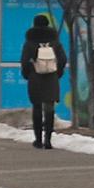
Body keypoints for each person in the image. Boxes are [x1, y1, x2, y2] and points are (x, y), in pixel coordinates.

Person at [20, 14, 68, 149]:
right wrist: (57, 72)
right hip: (51, 78)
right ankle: (48, 140)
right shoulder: (55, 42)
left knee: (37, 107)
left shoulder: (29, 43)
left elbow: (24, 61)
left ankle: (38, 140)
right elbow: (63, 59)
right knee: (49, 108)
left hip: (35, 77)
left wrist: (27, 73)